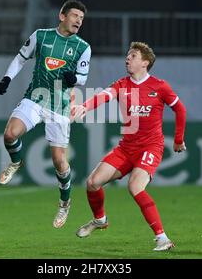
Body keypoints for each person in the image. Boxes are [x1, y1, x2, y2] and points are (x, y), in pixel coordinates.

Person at [71, 42, 186, 251]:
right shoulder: (121, 85)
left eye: (132, 56)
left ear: (145, 62)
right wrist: (84, 106)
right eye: (127, 56)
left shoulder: (160, 86)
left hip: (150, 147)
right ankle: (100, 220)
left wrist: (178, 139)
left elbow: (180, 109)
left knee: (135, 187)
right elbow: (103, 96)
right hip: (126, 148)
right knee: (93, 182)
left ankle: (162, 238)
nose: (127, 59)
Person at [0, 0, 91, 228]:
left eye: (81, 18)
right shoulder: (41, 36)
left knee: (59, 161)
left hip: (60, 106)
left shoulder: (82, 46)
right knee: (10, 134)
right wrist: (6, 78)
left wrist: (74, 79)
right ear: (62, 15)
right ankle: (16, 162)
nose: (78, 20)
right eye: (75, 15)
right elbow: (21, 58)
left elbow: (83, 76)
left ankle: (65, 203)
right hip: (35, 98)